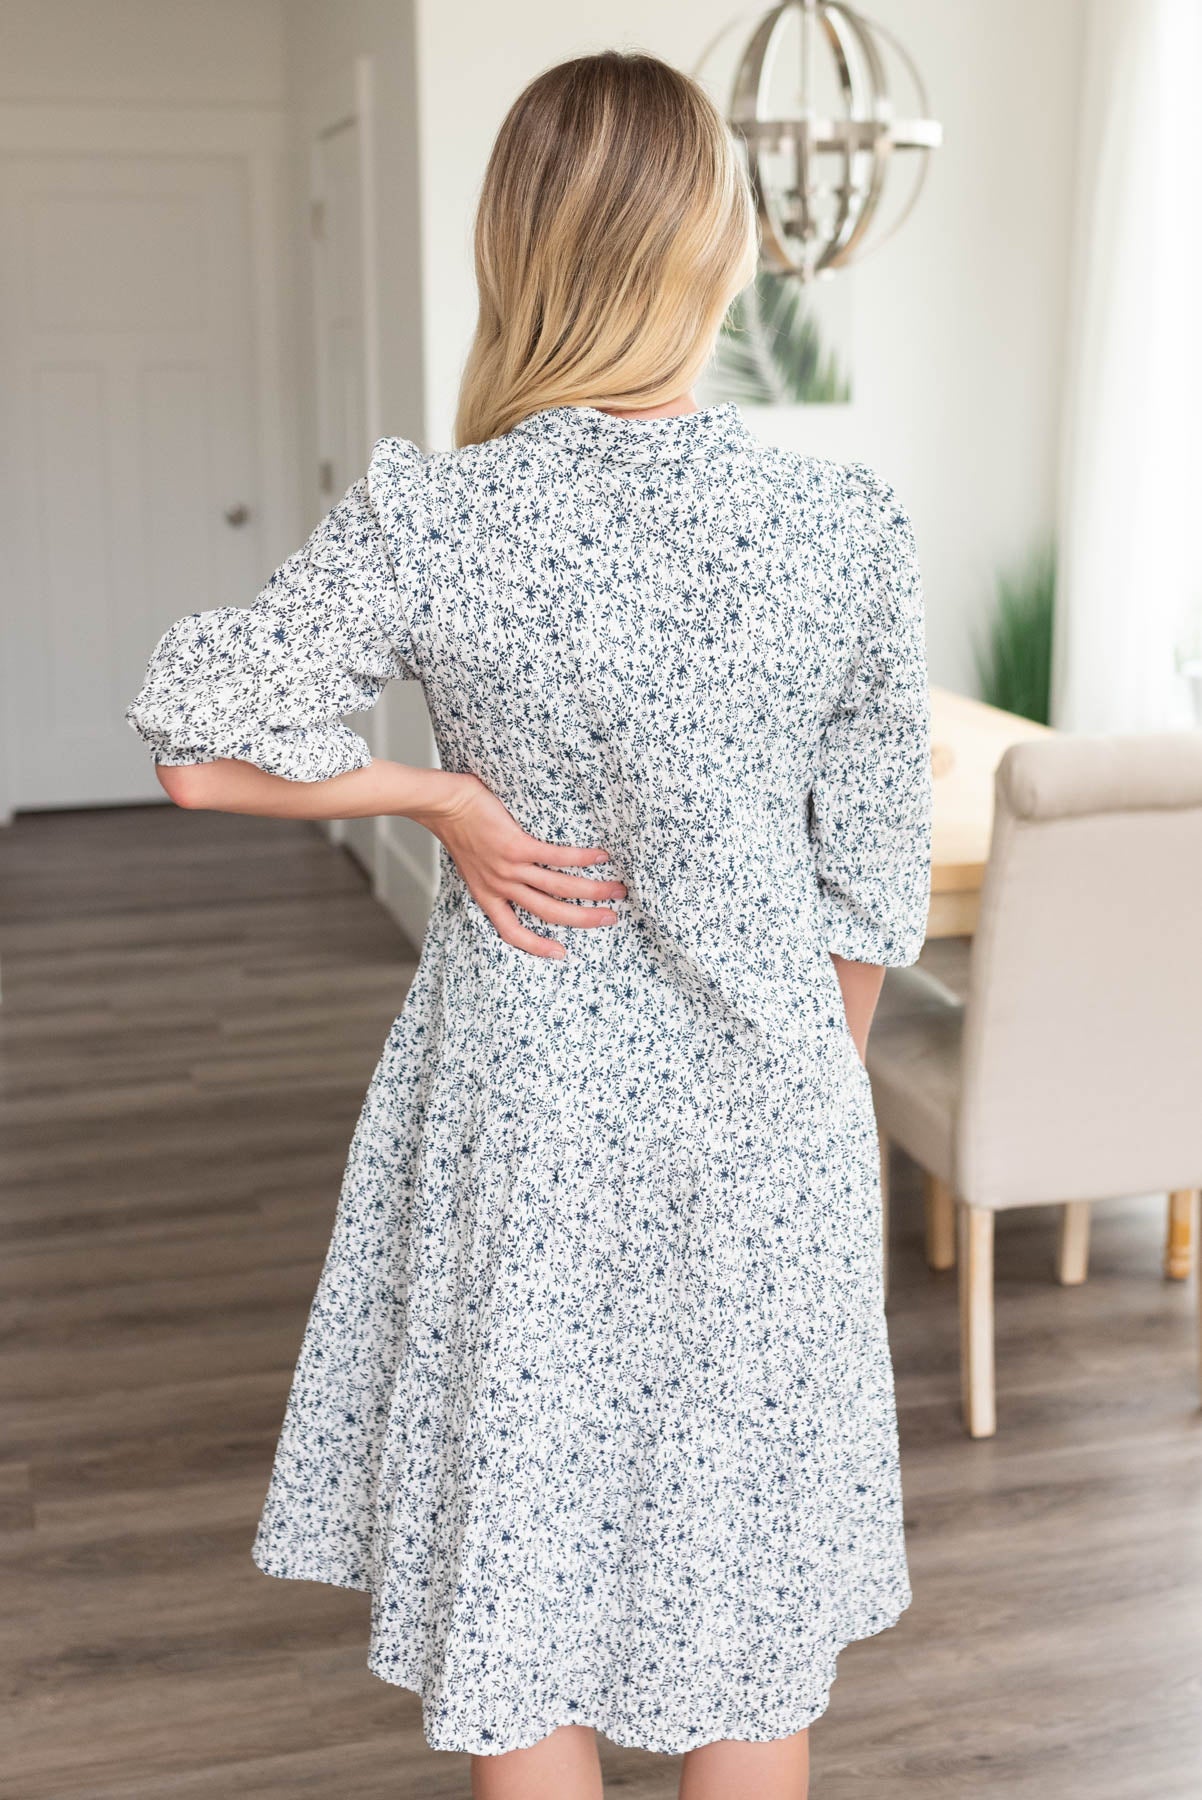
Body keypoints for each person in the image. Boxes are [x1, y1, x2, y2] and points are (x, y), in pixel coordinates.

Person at [125, 48, 932, 1800]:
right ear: (715, 250)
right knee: (746, 1647)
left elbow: (196, 744)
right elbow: (869, 892)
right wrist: (793, 1099)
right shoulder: (843, 529)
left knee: (526, 1615)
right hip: (765, 1133)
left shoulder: (443, 510)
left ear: (517, 253)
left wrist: (439, 799)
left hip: (527, 1127)